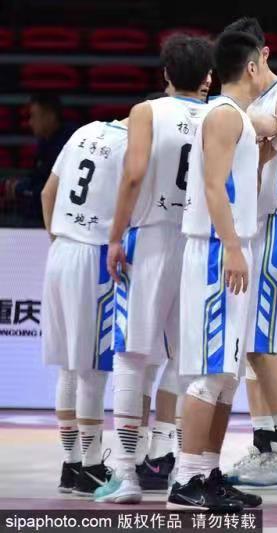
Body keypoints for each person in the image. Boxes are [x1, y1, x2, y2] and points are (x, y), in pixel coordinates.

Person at [93, 34, 213, 504]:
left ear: (166, 74)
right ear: (208, 78)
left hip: (151, 237)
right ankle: (182, 470)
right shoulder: (219, 115)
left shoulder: (146, 111)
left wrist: (115, 235)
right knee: (186, 359)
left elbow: (134, 172)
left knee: (131, 356)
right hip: (198, 239)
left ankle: (126, 472)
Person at [167, 29, 277, 512]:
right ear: (252, 66)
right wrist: (232, 246)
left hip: (234, 246)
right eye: (264, 63)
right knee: (211, 373)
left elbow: (238, 179)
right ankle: (186, 480)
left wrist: (273, 146)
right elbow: (214, 186)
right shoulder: (223, 115)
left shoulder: (236, 118)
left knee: (228, 376)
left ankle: (208, 472)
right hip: (218, 248)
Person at [218, 16, 277, 490]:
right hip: (254, 227)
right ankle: (265, 444)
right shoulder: (240, 101)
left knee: (263, 346)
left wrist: (271, 135)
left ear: (263, 56)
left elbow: (257, 158)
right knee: (250, 347)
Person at [41, 117, 128, 496]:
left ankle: (71, 464)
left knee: (69, 367)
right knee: (93, 368)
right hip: (93, 254)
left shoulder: (84, 131)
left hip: (60, 249)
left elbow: (47, 193)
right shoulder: (132, 144)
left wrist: (59, 238)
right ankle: (92, 468)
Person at [10, 94, 76, 221]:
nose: (30, 122)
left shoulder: (69, 142)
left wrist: (23, 189)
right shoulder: (45, 141)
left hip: (62, 216)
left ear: (50, 116)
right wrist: (21, 184)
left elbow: (56, 188)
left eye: (34, 116)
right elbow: (38, 175)